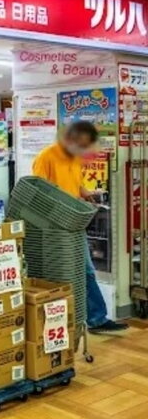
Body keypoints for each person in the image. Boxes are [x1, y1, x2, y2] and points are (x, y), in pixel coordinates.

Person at [32, 120, 127, 333]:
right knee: (62, 272)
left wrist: (86, 194)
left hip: (74, 223)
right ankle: (61, 320)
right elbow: (39, 191)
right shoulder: (46, 156)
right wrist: (67, 201)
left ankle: (96, 318)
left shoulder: (74, 158)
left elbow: (76, 184)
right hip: (54, 227)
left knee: (86, 269)